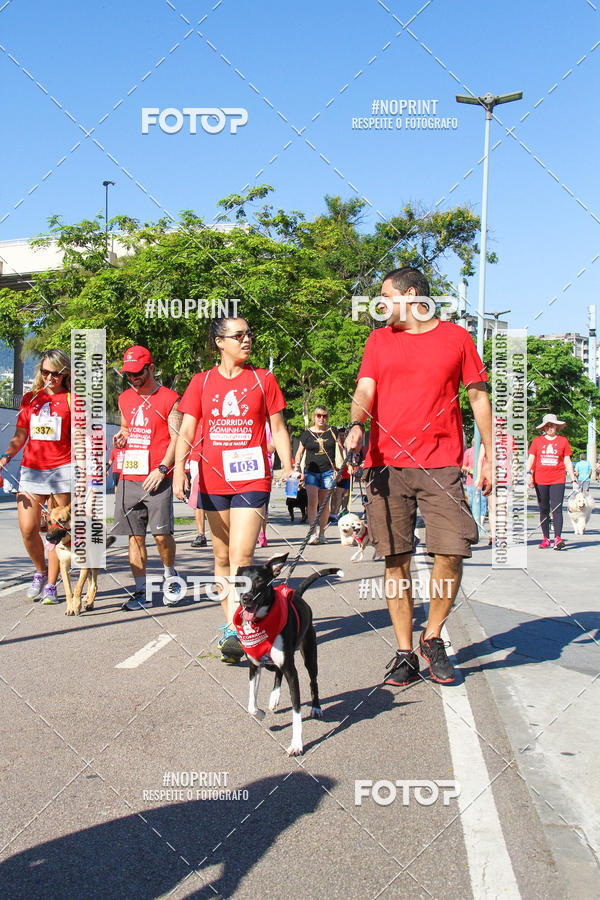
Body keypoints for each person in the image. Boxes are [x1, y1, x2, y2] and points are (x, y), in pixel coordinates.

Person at [345, 267, 492, 686]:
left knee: (452, 550)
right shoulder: (378, 340)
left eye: (385, 296)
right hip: (386, 465)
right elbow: (365, 388)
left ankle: (433, 636)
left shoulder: (457, 339)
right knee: (396, 559)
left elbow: (478, 398)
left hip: (441, 464)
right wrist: (356, 423)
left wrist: (489, 456)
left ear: (411, 296)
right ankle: (405, 651)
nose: (380, 305)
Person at [173, 316, 293, 663]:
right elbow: (188, 429)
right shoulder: (202, 382)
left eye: (249, 333)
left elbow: (279, 428)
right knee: (222, 557)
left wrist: (287, 464)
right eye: (238, 335)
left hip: (252, 478)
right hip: (213, 480)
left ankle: (243, 627)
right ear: (219, 342)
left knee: (242, 557)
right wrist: (179, 469)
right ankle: (231, 627)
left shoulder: (263, 379)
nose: (247, 339)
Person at [111, 345, 181, 609]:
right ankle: (141, 590)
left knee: (161, 536)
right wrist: (121, 437)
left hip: (157, 477)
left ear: (150, 368)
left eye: (138, 373)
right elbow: (126, 428)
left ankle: (169, 574)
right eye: (128, 374)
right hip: (130, 475)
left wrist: (163, 468)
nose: (133, 378)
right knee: (134, 536)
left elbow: (177, 439)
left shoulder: (170, 399)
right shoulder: (124, 398)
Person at [0, 349, 73, 604]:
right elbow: (20, 435)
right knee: (28, 528)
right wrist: (6, 456)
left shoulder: (72, 401)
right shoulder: (31, 399)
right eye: (45, 372)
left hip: (62, 470)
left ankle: (52, 585)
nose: (50, 377)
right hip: (31, 470)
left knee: (54, 531)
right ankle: (40, 571)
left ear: (64, 374)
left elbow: (81, 438)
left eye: (55, 373)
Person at [294, 406, 344, 544]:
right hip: (311, 472)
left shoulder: (333, 431)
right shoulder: (307, 434)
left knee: (324, 503)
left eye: (324, 416)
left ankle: (322, 533)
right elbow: (299, 452)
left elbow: (341, 449)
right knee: (312, 502)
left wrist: (343, 467)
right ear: (314, 417)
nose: (322, 418)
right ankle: (313, 533)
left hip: (328, 471)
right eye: (319, 416)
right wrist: (297, 467)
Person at [527, 414, 577, 550]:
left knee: (556, 508)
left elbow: (567, 461)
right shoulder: (537, 441)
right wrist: (527, 474)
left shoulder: (563, 441)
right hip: (540, 479)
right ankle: (546, 538)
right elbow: (531, 458)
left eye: (552, 425)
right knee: (543, 509)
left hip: (558, 479)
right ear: (544, 427)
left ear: (556, 427)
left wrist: (573, 479)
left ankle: (558, 538)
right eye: (547, 425)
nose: (550, 428)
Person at [257, 420, 276, 548]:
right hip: (246, 467)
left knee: (263, 504)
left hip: (265, 468)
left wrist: (257, 442)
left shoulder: (268, 426)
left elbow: (272, 448)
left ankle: (262, 534)